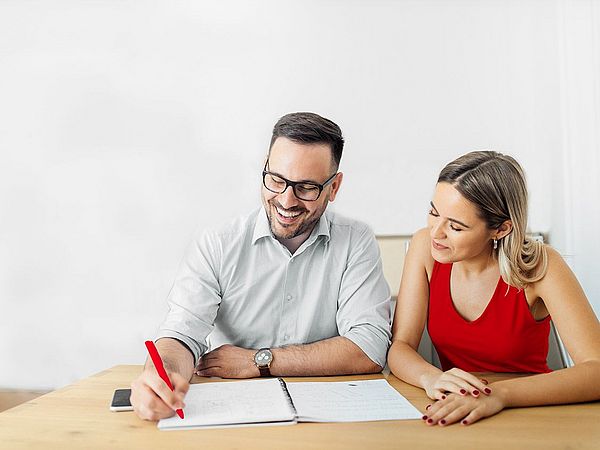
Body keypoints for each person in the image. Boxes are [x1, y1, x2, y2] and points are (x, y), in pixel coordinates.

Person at [131, 112, 392, 421]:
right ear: (264, 169)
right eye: (276, 180)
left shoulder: (356, 241)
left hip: (327, 420)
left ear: (334, 187)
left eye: (306, 187)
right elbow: (181, 335)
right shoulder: (218, 243)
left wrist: (259, 361)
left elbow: (368, 348)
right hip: (232, 413)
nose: (286, 200)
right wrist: (161, 377)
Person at [388, 150, 600, 426]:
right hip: (461, 409)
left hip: (533, 413)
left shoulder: (540, 266)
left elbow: (595, 369)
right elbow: (401, 346)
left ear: (500, 229)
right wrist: (432, 378)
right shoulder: (424, 246)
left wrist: (498, 395)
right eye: (433, 212)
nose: (436, 232)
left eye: (455, 226)